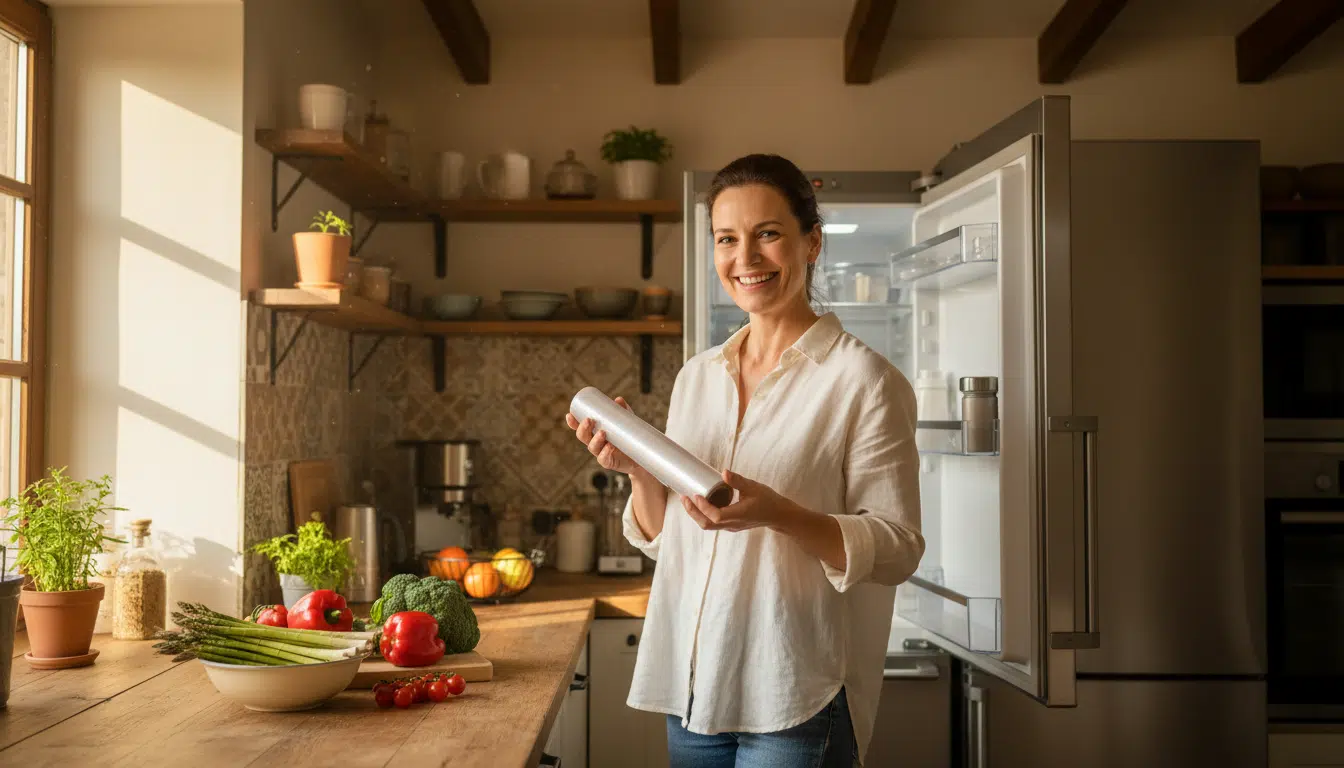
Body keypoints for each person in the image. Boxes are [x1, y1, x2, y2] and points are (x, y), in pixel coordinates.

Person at [564, 153, 924, 768]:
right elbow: (673, 542)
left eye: (768, 234)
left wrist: (781, 514)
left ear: (812, 242)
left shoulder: (865, 381)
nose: (745, 258)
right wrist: (639, 471)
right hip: (694, 688)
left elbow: (899, 548)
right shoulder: (697, 377)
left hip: (795, 692)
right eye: (727, 238)